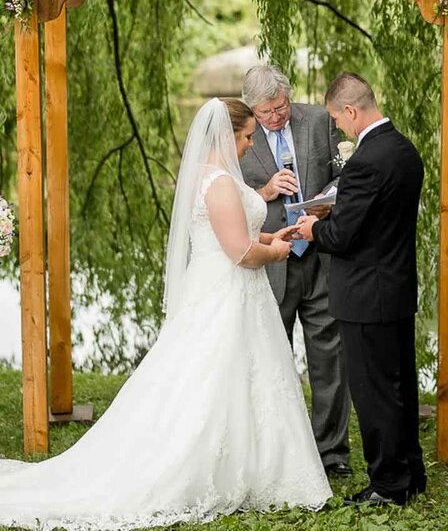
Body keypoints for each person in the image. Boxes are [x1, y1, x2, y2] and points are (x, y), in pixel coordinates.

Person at [0, 98, 332, 529]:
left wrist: (272, 232)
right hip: (226, 297)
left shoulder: (213, 178)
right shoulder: (220, 184)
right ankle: (209, 465)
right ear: (227, 136)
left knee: (241, 379)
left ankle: (256, 465)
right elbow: (242, 253)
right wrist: (279, 250)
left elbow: (240, 232)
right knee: (213, 380)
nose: (251, 144)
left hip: (234, 296)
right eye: (248, 135)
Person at [297, 73, 426, 507]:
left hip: (365, 296)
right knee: (400, 385)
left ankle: (388, 486)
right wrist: (338, 209)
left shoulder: (366, 161)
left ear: (351, 111)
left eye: (337, 119)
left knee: (373, 393)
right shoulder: (405, 151)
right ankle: (411, 474)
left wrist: (316, 225)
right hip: (396, 289)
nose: (339, 128)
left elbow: (342, 238)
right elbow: (378, 220)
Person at [239, 65, 353, 477]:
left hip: (321, 259)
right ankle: (276, 454)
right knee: (271, 361)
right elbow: (223, 198)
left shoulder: (319, 119)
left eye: (281, 106)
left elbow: (346, 176)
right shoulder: (239, 137)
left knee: (330, 362)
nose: (276, 116)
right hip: (271, 263)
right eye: (267, 111)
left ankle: (332, 454)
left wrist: (327, 202)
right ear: (253, 108)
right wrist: (266, 191)